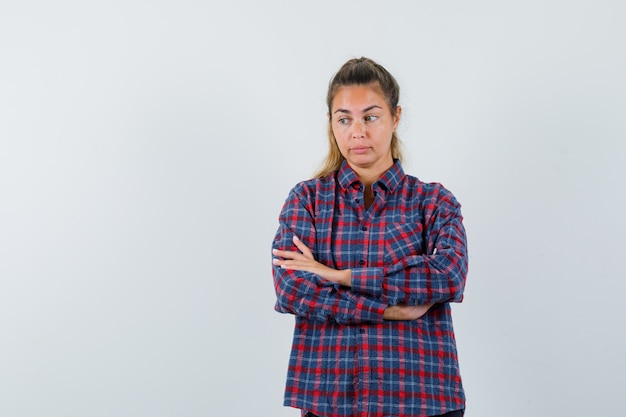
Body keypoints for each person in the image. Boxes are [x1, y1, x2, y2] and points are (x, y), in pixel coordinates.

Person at [271, 57, 468, 417]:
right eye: (344, 118)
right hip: (330, 400)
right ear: (331, 124)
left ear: (395, 117)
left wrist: (339, 276)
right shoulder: (307, 200)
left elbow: (447, 275)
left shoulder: (434, 202)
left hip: (422, 397)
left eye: (370, 116)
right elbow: (293, 289)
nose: (357, 131)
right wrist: (389, 311)